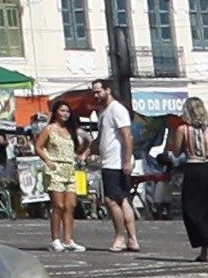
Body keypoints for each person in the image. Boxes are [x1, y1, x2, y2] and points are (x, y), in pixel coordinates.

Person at [172, 100, 208, 264]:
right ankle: (204, 252)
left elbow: (176, 152)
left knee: (191, 211)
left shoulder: (183, 129)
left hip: (194, 169)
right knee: (206, 211)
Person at [94, 87, 143, 253]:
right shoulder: (103, 112)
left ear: (108, 90)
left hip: (115, 163)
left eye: (99, 91)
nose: (96, 95)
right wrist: (86, 152)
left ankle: (121, 237)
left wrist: (127, 160)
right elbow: (101, 138)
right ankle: (133, 240)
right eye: (94, 92)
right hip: (109, 162)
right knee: (122, 200)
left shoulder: (117, 109)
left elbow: (127, 136)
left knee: (111, 200)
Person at [35, 110, 83, 251]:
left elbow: (79, 146)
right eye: (62, 110)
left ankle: (68, 240)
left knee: (70, 205)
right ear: (56, 113)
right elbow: (38, 146)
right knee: (58, 205)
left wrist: (83, 151)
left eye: (68, 111)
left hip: (70, 169)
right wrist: (47, 161)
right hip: (56, 168)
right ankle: (55, 239)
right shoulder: (49, 129)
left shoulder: (71, 130)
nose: (65, 113)